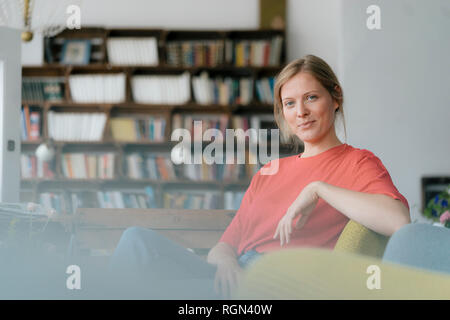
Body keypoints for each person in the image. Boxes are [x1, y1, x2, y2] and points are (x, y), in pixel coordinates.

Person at [107, 54, 410, 299]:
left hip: (273, 284)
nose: (301, 112)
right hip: (232, 275)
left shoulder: (356, 162)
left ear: (336, 98)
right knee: (137, 241)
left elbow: (397, 221)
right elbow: (227, 244)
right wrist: (226, 261)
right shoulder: (269, 171)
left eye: (311, 97)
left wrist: (317, 188)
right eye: (290, 103)